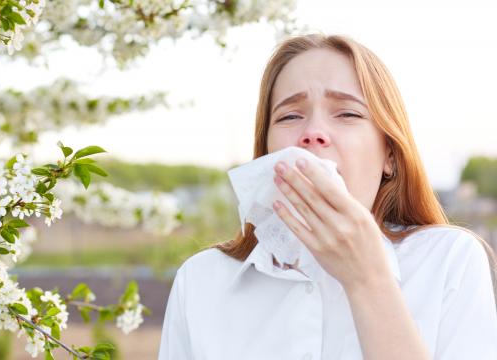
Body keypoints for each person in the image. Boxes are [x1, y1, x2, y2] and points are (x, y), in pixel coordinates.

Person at [157, 33, 497, 360]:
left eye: (347, 114)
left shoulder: (450, 261)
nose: (313, 134)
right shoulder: (201, 280)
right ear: (266, 153)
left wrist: (367, 279)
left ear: (390, 156)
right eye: (290, 116)